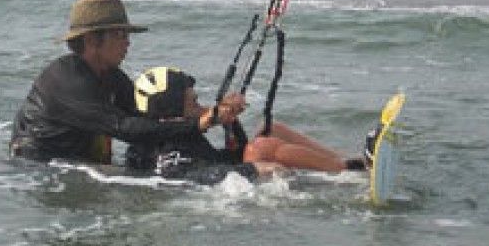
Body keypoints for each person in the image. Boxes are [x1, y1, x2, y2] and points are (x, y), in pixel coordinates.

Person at [10, 0, 244, 164]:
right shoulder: (64, 80)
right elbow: (125, 128)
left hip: (79, 164)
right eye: (120, 34)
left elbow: (145, 116)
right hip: (40, 168)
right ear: (92, 40)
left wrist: (213, 113)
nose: (128, 42)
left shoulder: (110, 75)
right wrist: (199, 124)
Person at [129, 66, 369, 182]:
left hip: (227, 172)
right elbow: (193, 174)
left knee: (270, 128)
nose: (200, 107)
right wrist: (253, 169)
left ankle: (346, 159)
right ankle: (349, 171)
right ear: (170, 109)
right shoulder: (165, 148)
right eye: (193, 102)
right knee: (259, 148)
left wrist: (229, 122)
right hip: (225, 187)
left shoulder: (180, 130)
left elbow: (230, 153)